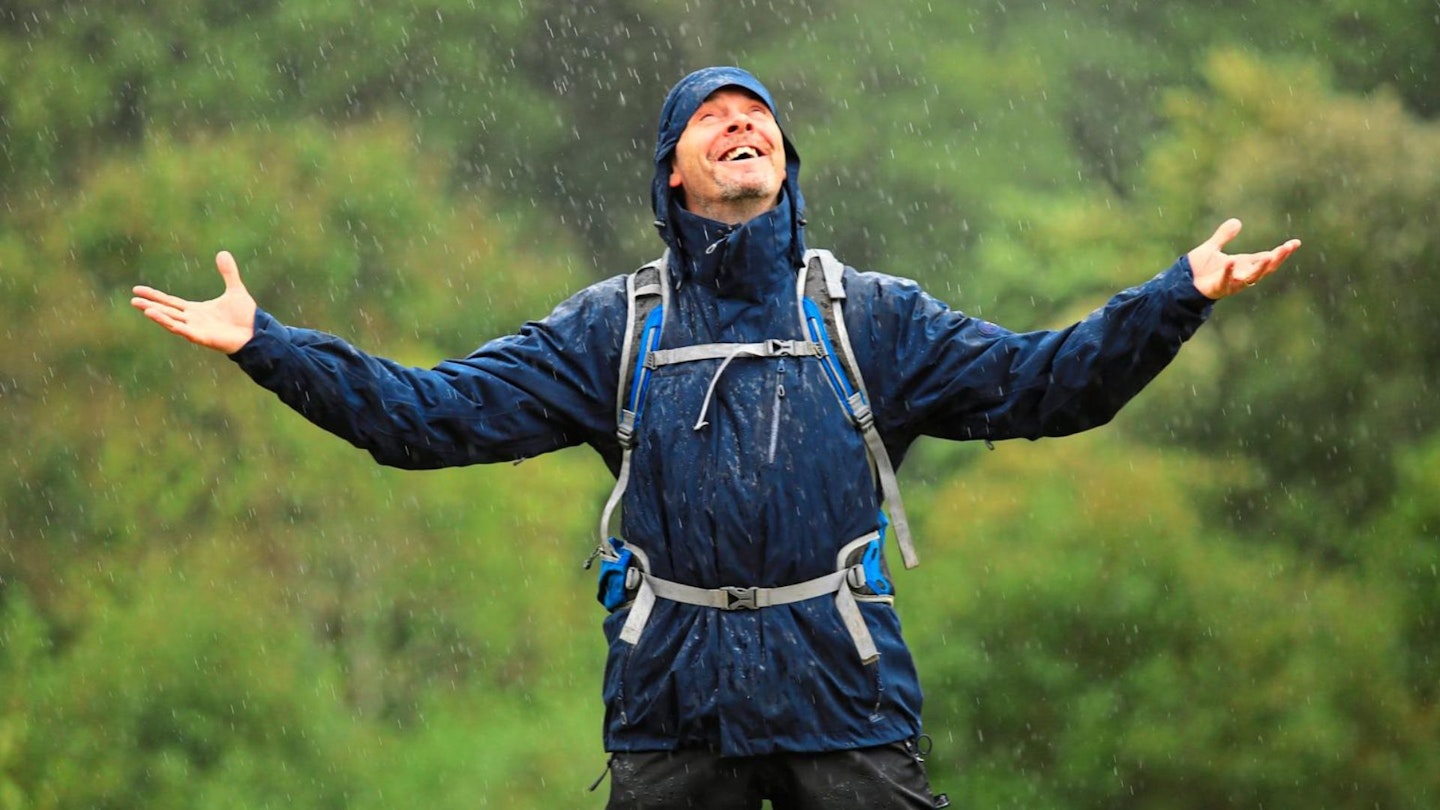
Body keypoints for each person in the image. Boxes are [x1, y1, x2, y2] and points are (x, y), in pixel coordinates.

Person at [131, 66, 1301, 808]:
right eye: (710, 117)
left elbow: (1050, 387)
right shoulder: (613, 328)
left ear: (785, 165)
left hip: (847, 702)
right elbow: (426, 419)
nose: (742, 123)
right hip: (669, 711)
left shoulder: (869, 318)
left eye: (759, 117)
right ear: (673, 175)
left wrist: (1177, 296)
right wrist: (265, 345)